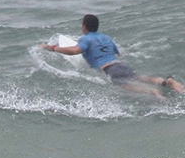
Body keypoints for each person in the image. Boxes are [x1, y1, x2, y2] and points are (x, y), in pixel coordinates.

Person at [40, 14, 184, 99]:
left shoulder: (86, 39)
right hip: (119, 64)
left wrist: (52, 48)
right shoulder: (106, 37)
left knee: (125, 85)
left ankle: (152, 92)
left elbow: (74, 51)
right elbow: (117, 53)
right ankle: (166, 82)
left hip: (109, 70)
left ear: (84, 27)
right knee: (138, 77)